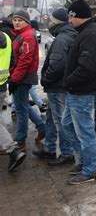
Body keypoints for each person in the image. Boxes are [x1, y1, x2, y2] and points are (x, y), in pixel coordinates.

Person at [62, 0, 96, 185]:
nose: (69, 21)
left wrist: (69, 81)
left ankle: (90, 170)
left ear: (78, 16)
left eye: (71, 17)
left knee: (85, 132)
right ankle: (84, 162)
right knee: (67, 125)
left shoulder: (90, 35)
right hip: (76, 91)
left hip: (82, 92)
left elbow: (87, 67)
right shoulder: (85, 32)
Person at [34, 8, 76, 166]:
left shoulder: (61, 39)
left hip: (57, 87)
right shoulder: (67, 35)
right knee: (51, 119)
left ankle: (67, 153)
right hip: (59, 87)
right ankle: (49, 149)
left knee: (60, 121)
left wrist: (45, 79)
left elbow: (57, 66)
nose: (49, 24)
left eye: (52, 21)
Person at [9, 10, 45, 150]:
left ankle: (20, 141)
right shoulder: (20, 35)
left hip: (22, 77)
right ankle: (42, 127)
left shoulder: (28, 36)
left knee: (21, 110)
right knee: (23, 105)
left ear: (27, 22)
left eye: (20, 20)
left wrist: (14, 79)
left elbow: (25, 60)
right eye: (15, 19)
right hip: (19, 76)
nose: (16, 22)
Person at [0, 28, 26, 172]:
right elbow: (12, 63)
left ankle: (12, 150)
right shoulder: (6, 37)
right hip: (2, 86)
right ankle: (12, 149)